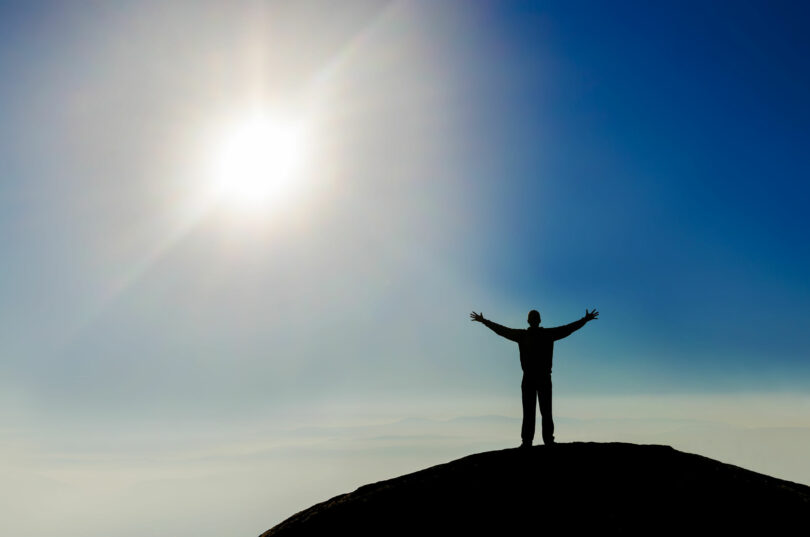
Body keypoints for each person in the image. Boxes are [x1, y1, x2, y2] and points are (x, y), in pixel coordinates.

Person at [470, 308, 598, 447]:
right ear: (539, 320)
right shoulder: (548, 334)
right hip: (543, 378)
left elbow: (501, 330)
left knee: (529, 413)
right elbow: (568, 329)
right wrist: (585, 320)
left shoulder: (522, 335)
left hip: (529, 379)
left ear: (528, 321)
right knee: (546, 412)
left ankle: (527, 442)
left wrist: (484, 321)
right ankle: (548, 440)